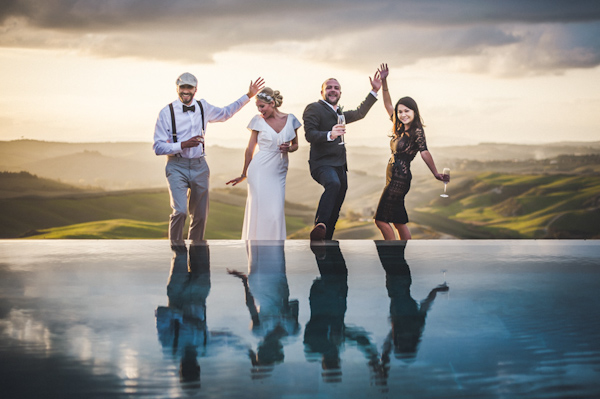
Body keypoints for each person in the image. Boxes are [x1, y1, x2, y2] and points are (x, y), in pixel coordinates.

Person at [153, 72, 265, 247]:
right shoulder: (166, 113)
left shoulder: (203, 107)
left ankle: (196, 253)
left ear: (195, 89)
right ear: (177, 88)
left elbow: (226, 113)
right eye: (182, 87)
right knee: (180, 212)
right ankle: (175, 252)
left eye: (189, 87)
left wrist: (248, 96)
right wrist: (182, 145)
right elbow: (158, 147)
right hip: (176, 166)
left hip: (200, 166)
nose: (185, 91)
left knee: (200, 216)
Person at [303, 71, 382, 241]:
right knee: (333, 183)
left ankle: (326, 238)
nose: (333, 90)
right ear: (322, 92)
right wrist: (329, 135)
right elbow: (310, 134)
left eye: (336, 88)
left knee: (337, 201)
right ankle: (320, 224)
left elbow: (360, 113)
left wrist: (374, 91)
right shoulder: (314, 108)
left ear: (340, 93)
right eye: (329, 87)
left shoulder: (339, 113)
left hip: (340, 165)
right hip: (322, 164)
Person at [374, 64, 447, 240]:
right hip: (394, 176)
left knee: (381, 220)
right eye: (400, 111)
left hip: (399, 178)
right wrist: (384, 81)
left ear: (414, 112)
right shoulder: (399, 127)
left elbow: (424, 152)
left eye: (407, 111)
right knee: (398, 221)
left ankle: (393, 255)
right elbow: (387, 103)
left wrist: (435, 173)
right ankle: (407, 251)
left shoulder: (417, 131)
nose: (403, 114)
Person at [226, 88, 301, 240]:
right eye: (258, 107)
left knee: (275, 212)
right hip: (259, 169)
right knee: (260, 211)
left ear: (272, 103)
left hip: (279, 170)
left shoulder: (291, 119)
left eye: (262, 106)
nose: (260, 110)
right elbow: (249, 149)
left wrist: (289, 148)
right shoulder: (257, 120)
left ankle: (275, 250)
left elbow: (296, 145)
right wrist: (244, 174)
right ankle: (257, 252)